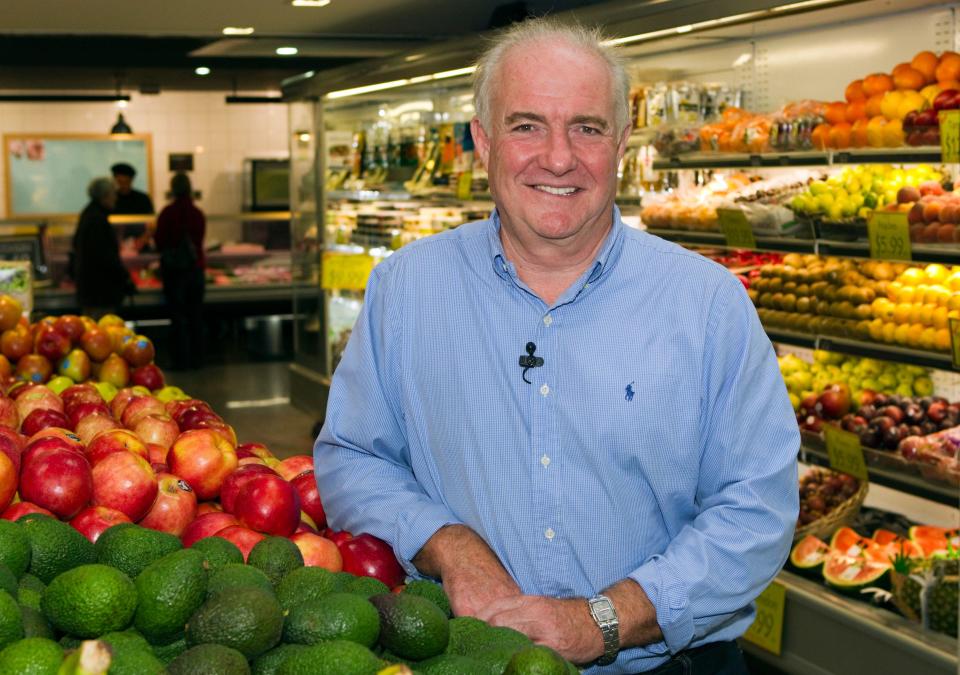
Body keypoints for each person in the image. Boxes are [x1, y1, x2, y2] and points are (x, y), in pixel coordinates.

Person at [314, 18, 799, 674]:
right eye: (526, 125)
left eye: (587, 128)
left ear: (622, 142)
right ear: (483, 140)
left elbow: (757, 506)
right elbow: (352, 456)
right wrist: (446, 543)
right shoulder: (407, 287)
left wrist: (608, 615)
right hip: (463, 658)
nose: (559, 157)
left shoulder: (708, 302)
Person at [154, 172, 205, 370]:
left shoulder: (167, 213)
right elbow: (199, 242)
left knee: (178, 318)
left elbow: (160, 242)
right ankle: (198, 358)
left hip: (174, 273)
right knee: (195, 316)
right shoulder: (197, 213)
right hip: (195, 271)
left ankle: (181, 359)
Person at [71, 177, 136, 318]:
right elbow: (105, 257)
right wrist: (124, 277)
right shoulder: (97, 219)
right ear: (104, 197)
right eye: (113, 194)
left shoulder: (89, 214)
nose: (115, 198)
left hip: (90, 290)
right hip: (100, 293)